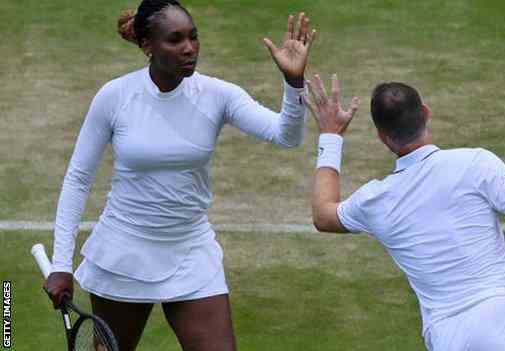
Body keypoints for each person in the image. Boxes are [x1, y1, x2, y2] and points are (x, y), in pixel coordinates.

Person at [43, 1, 316, 350]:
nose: (189, 48)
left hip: (190, 253)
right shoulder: (115, 97)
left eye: (193, 37)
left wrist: (294, 82)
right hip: (123, 253)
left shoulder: (219, 95)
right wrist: (61, 264)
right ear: (148, 45)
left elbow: (286, 136)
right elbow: (78, 179)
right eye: (175, 40)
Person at [303, 74, 505, 350]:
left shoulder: (374, 200)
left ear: (382, 137)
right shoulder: (477, 162)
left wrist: (331, 135)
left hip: (450, 338)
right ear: (426, 113)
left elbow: (323, 214)